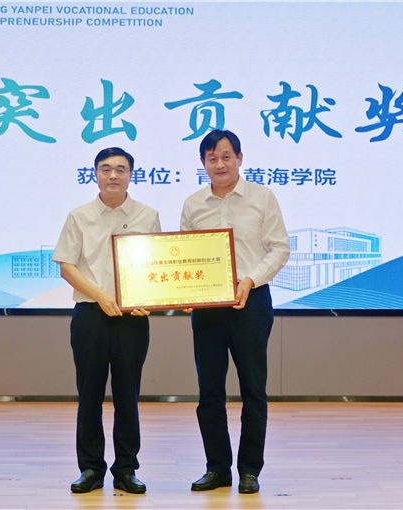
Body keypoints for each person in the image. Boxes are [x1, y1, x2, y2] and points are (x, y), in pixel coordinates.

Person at [180, 130, 289, 494]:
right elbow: (184, 256)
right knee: (209, 391)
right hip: (208, 308)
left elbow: (279, 248)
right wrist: (183, 292)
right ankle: (217, 468)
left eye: (226, 156)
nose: (220, 164)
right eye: (212, 158)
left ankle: (249, 470)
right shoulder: (193, 204)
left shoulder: (262, 197)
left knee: (253, 390)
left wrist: (250, 279)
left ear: (240, 158)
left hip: (251, 303)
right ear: (203, 163)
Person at [53, 147, 161, 494]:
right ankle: (90, 468)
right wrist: (100, 295)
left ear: (131, 174)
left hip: (132, 319)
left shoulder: (148, 215)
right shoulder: (79, 216)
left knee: (128, 396)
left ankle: (126, 469)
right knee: (90, 395)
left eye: (121, 169)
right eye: (105, 168)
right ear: (95, 174)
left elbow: (156, 266)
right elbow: (67, 266)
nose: (113, 175)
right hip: (90, 316)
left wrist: (150, 300)